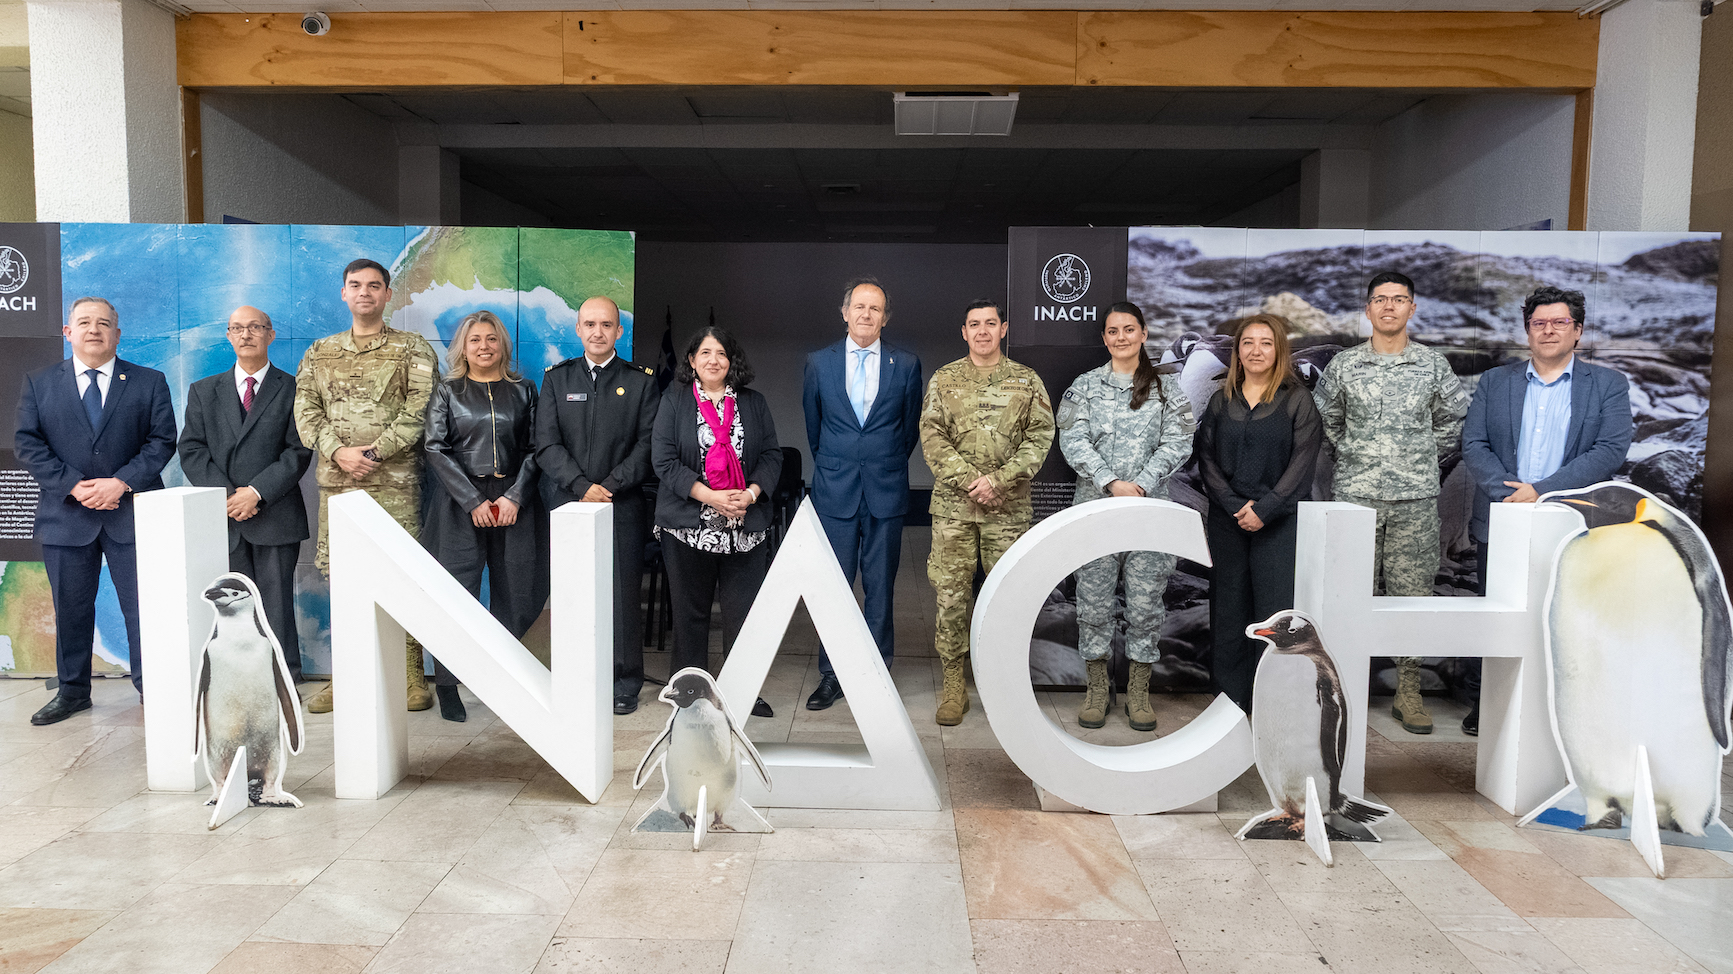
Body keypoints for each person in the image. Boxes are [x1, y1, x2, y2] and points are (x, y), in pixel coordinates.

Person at [1459, 284, 1631, 735]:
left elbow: (1610, 449)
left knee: (1569, 616)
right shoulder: (1496, 382)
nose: (1548, 330)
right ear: (1527, 330)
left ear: (1578, 330)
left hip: (1570, 520)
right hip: (1501, 517)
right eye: (1539, 323)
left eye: (1559, 322)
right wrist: (1509, 493)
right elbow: (1474, 443)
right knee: (1496, 615)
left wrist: (1544, 491)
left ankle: (1563, 710)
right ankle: (1488, 705)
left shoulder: (1608, 385)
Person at [1314, 271, 1468, 735]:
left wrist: (1414, 459)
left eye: (1398, 299)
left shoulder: (1433, 366)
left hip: (1414, 500)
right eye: (1380, 300)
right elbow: (1329, 423)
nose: (1388, 307)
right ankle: (1342, 689)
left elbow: (1452, 421)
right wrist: (1362, 458)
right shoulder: (1344, 366)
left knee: (1410, 597)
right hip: (1355, 498)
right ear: (1367, 310)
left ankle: (1408, 691)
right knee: (1347, 594)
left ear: (1412, 308)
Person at [14, 296, 175, 724]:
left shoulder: (149, 381)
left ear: (117, 335)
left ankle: (152, 688)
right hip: (67, 517)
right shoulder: (40, 382)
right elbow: (27, 443)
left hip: (132, 516)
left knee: (143, 607)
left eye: (104, 323)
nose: (93, 329)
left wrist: (121, 482)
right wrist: (73, 486)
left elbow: (161, 441)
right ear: (68, 332)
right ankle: (72, 692)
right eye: (83, 322)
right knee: (71, 609)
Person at [293, 258, 439, 715]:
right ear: (344, 292)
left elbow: (420, 411)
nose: (365, 293)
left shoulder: (412, 349)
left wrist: (374, 453)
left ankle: (412, 672)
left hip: (396, 486)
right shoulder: (320, 353)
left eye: (374, 286)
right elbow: (306, 412)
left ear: (387, 294)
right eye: (355, 285)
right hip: (339, 488)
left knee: (405, 576)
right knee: (343, 578)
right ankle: (346, 674)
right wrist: (339, 452)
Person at [1057, 301, 1196, 732]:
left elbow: (1178, 442)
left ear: (1143, 334)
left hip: (1148, 512)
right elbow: (1073, 438)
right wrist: (1109, 481)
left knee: (1145, 604)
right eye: (1113, 331)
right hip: (1095, 511)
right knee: (1093, 604)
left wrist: (1142, 482)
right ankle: (1097, 690)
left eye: (1129, 329)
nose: (1121, 337)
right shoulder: (1084, 387)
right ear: (1105, 338)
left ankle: (1138, 692)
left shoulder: (1167, 390)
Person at [920, 299, 1055, 726]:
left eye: (990, 324)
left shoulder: (1026, 381)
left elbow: (1041, 437)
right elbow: (932, 437)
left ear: (1004, 329)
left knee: (1007, 598)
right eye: (974, 324)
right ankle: (955, 686)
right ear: (964, 332)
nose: (982, 331)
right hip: (953, 511)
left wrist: (998, 481)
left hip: (1008, 509)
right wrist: (971, 481)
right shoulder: (944, 379)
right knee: (951, 596)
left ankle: (1004, 682)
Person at [802, 277, 923, 711]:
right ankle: (831, 677)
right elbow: (814, 430)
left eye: (875, 309)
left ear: (885, 317)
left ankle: (875, 675)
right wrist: (840, 464)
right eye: (859, 307)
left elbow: (908, 431)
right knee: (834, 589)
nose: (866, 314)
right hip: (834, 491)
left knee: (879, 589)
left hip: (885, 490)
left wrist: (879, 461)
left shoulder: (906, 364)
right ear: (845, 312)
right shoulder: (819, 363)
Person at [420, 310, 548, 723]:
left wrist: (514, 496)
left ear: (503, 345)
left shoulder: (525, 390)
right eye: (475, 339)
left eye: (491, 339)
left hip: (514, 500)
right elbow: (435, 447)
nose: (484, 346)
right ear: (463, 346)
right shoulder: (447, 392)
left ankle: (503, 676)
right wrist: (473, 500)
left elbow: (536, 449)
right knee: (457, 595)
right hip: (461, 503)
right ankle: (447, 684)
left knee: (518, 589)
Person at [535, 295, 658, 715]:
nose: (597, 332)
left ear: (619, 331)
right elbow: (546, 445)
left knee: (622, 596)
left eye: (606, 325)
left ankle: (624, 681)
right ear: (578, 330)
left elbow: (649, 446)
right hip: (568, 504)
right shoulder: (557, 380)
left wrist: (609, 486)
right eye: (589, 324)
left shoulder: (641, 381)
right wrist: (580, 485)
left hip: (620, 505)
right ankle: (574, 676)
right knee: (571, 595)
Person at [651, 326, 783, 717]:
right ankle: (688, 694)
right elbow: (663, 460)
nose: (713, 360)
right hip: (688, 526)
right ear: (691, 360)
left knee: (742, 614)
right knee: (691, 613)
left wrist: (752, 494)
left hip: (744, 526)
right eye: (705, 353)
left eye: (721, 353)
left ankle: (742, 690)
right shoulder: (674, 401)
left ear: (732, 361)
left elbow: (772, 456)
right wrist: (710, 497)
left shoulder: (753, 403)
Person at [178, 305, 314, 681]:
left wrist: (256, 492)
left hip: (275, 512)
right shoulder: (204, 391)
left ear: (270, 335)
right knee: (233, 608)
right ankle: (242, 679)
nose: (246, 334)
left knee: (276, 603)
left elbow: (299, 451)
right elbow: (191, 450)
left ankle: (286, 677)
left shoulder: (293, 388)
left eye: (255, 327)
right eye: (237, 328)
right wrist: (228, 497)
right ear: (228, 336)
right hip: (225, 517)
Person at [1196, 314, 1323, 715]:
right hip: (1227, 522)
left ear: (1279, 350)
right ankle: (1229, 700)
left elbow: (1303, 465)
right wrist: (1235, 506)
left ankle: (1271, 701)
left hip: (1278, 524)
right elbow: (1207, 459)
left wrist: (1265, 510)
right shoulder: (1221, 400)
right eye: (1247, 343)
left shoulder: (1297, 400)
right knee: (1228, 609)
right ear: (1237, 352)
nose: (1256, 350)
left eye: (1265, 343)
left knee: (1272, 613)